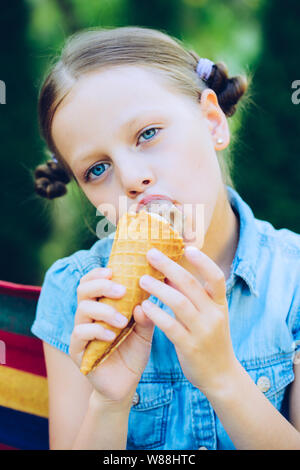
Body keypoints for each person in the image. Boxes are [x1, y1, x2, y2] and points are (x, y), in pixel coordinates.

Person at [31, 26, 300, 450]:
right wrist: (109, 403)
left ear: (212, 121)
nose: (133, 179)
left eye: (147, 134)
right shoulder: (75, 297)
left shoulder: (293, 280)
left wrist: (224, 378)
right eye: (97, 170)